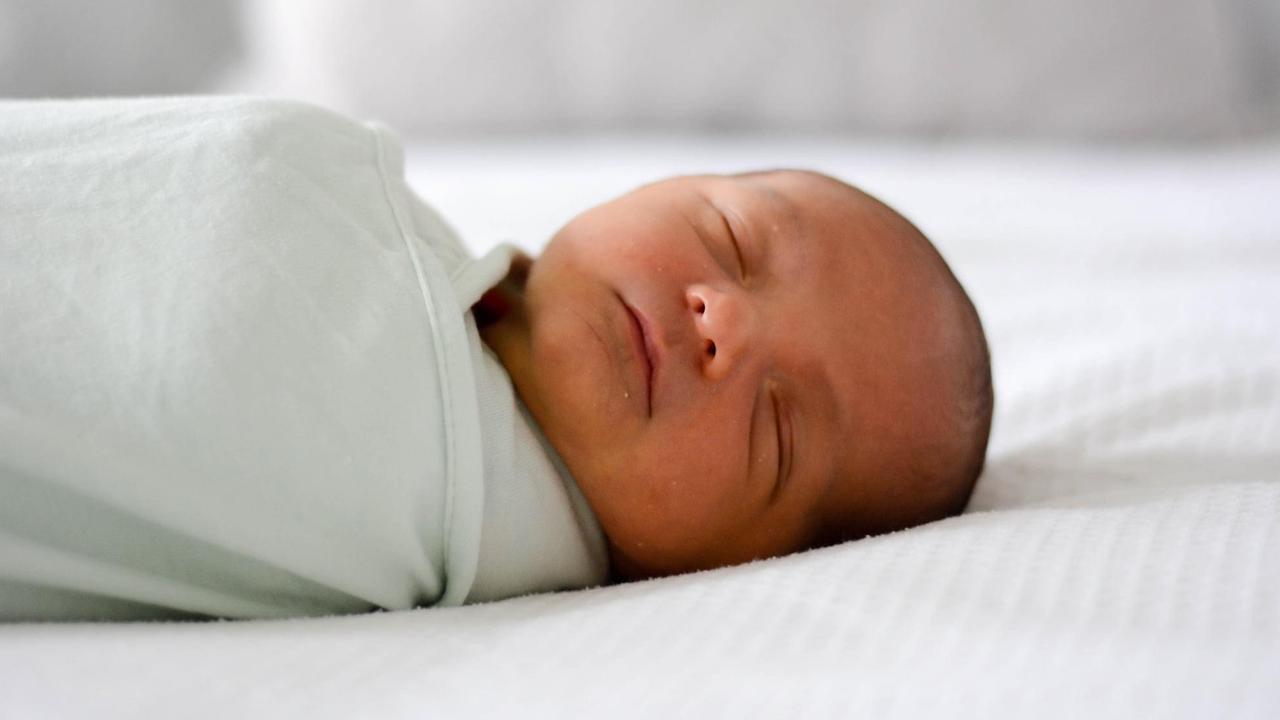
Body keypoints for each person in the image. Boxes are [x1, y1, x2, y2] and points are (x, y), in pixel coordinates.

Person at [0, 97, 990, 621]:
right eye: (730, 240)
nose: (721, 322)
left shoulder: (444, 496)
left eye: (776, 428)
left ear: (750, 563)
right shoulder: (414, 251)